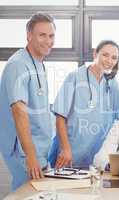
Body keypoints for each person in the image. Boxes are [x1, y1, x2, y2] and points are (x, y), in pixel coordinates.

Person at [48, 40, 119, 169]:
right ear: (95, 54)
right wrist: (66, 150)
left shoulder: (112, 83)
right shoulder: (74, 77)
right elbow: (60, 117)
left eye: (114, 58)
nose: (109, 61)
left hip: (99, 156)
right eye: (105, 55)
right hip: (72, 153)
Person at [0, 13, 55, 190]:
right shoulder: (18, 65)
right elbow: (19, 111)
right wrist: (31, 155)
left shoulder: (39, 64)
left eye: (51, 36)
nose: (48, 41)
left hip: (39, 149)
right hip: (24, 152)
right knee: (26, 193)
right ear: (29, 36)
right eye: (42, 35)